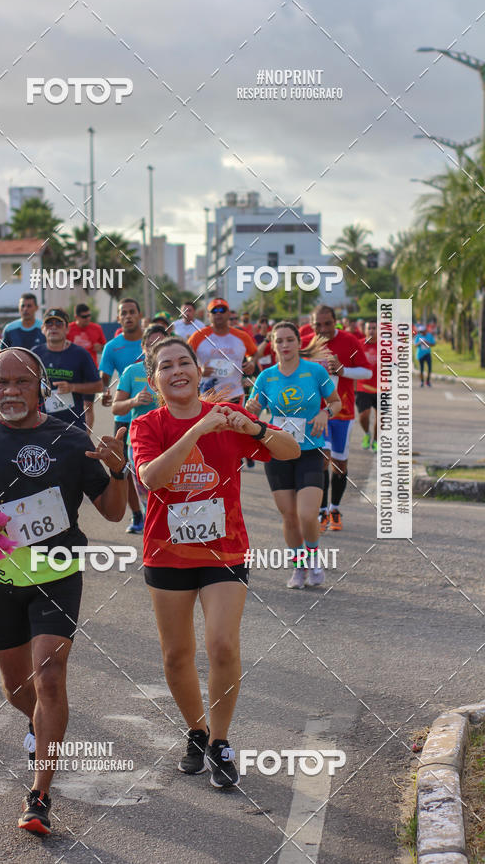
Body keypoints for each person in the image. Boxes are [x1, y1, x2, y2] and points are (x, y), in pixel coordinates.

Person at [0, 347, 128, 835]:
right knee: (19, 689)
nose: (10, 391)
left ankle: (39, 795)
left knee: (50, 676)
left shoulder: (70, 438)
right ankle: (38, 723)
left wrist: (120, 469)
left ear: (41, 386)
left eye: (21, 382)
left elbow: (115, 512)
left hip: (58, 574)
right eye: (1, 383)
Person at [131, 337, 299, 788]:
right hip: (167, 552)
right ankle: (196, 731)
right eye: (166, 366)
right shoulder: (146, 425)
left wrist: (255, 431)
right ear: (155, 379)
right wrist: (199, 430)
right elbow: (152, 477)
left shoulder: (229, 416)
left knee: (222, 645)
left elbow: (291, 451)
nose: (177, 370)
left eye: (184, 361)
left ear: (198, 369)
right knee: (175, 655)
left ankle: (220, 741)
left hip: (224, 551)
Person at [246, 323, 341, 588]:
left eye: (290, 340)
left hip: (310, 450)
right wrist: (251, 407)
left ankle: (313, 557)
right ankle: (299, 568)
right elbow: (252, 411)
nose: (285, 345)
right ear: (273, 345)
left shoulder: (315, 371)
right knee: (289, 516)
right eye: (279, 341)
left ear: (299, 344)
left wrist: (325, 413)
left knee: (307, 514)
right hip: (277, 452)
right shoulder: (266, 377)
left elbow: (336, 402)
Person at [301, 306, 371, 533]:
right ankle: (321, 511)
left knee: (339, 464)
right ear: (311, 324)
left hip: (343, 412)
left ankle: (335, 508)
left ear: (335, 322)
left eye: (327, 324)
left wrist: (343, 371)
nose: (322, 329)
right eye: (317, 325)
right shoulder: (306, 344)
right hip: (315, 412)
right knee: (322, 459)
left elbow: (367, 372)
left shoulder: (349, 341)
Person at [112, 324, 169, 513]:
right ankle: (148, 529)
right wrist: (134, 401)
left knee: (171, 494)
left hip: (171, 439)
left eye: (161, 344)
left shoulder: (175, 371)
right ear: (143, 348)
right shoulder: (132, 371)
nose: (155, 349)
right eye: (151, 345)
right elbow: (116, 407)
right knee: (147, 498)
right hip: (139, 442)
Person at [99, 298, 145, 533]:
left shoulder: (151, 343)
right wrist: (105, 393)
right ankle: (137, 516)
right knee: (125, 470)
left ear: (139, 315)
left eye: (131, 312)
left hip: (150, 416)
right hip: (125, 419)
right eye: (123, 313)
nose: (128, 316)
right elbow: (104, 379)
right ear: (118, 319)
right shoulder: (112, 347)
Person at [33, 308, 102, 432]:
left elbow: (98, 386)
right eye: (49, 323)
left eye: (59, 323)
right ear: (43, 329)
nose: (54, 327)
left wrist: (72, 388)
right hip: (42, 426)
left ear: (67, 329)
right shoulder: (34, 354)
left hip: (73, 426)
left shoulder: (80, 354)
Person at [188, 298, 257, 404]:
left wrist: (251, 362)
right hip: (207, 395)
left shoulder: (242, 336)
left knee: (235, 421)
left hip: (235, 395)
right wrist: (199, 371)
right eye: (214, 311)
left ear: (229, 313)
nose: (219, 314)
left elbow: (254, 353)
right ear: (208, 315)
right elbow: (184, 359)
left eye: (222, 310)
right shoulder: (198, 337)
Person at [356, 319, 378, 451]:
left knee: (381, 418)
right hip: (363, 387)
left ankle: (376, 441)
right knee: (364, 415)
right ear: (364, 330)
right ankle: (367, 434)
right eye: (369, 328)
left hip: (382, 387)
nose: (371, 331)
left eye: (374, 328)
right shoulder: (358, 345)